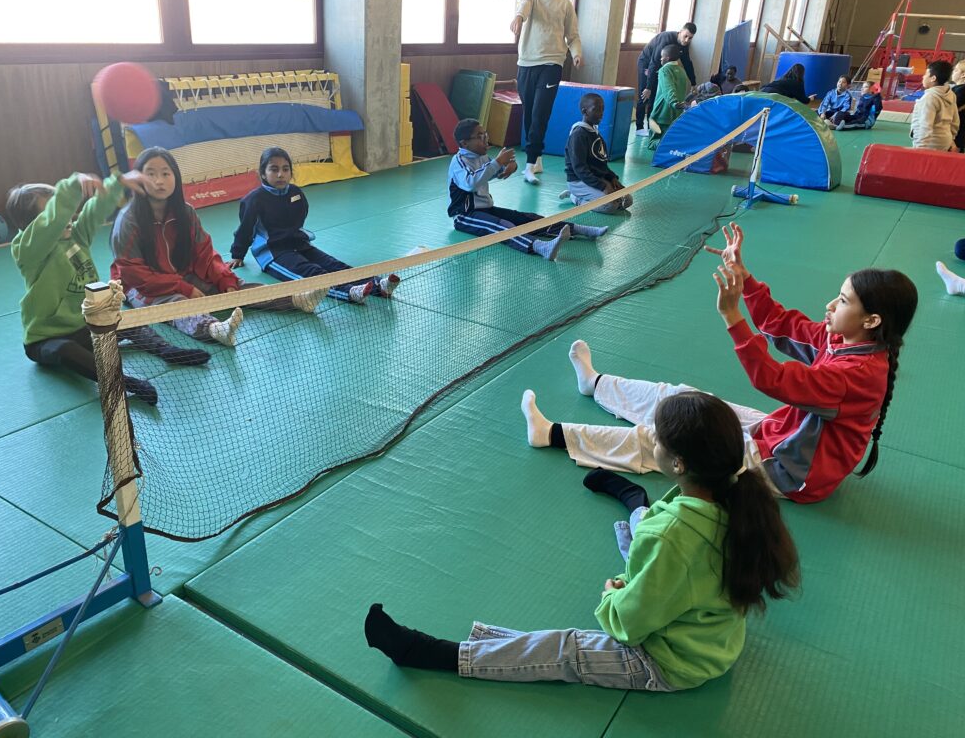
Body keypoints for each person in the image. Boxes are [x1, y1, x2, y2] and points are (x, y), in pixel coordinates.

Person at [364, 390, 800, 692]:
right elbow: (674, 556)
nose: (652, 441)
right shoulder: (732, 494)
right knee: (643, 532)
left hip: (672, 661)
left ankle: (432, 654)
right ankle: (633, 501)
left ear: (679, 464)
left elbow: (628, 625)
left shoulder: (674, 538)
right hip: (709, 633)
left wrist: (612, 596)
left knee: (566, 649)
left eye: (658, 440)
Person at [520, 223, 918, 504]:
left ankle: (552, 434)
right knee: (684, 399)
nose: (830, 305)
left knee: (669, 441)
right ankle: (596, 384)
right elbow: (782, 325)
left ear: (872, 321)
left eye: (843, 301)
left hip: (789, 471)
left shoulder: (857, 377)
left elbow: (773, 378)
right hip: (778, 432)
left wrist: (732, 316)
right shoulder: (844, 339)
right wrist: (745, 279)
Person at [8, 171, 212, 406]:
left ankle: (166, 351)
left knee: (127, 322)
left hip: (86, 326)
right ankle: (123, 382)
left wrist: (117, 184)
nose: (69, 214)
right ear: (34, 226)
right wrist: (73, 186)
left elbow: (94, 211)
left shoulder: (75, 236)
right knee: (65, 349)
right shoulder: (28, 251)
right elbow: (52, 222)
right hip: (46, 338)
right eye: (55, 210)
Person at [111, 147, 325, 348]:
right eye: (150, 174)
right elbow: (135, 274)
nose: (159, 181)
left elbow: (204, 253)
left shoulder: (185, 212)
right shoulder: (128, 221)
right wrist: (183, 288)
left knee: (234, 284)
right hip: (140, 287)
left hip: (181, 273)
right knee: (176, 304)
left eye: (166, 173)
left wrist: (223, 278)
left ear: (175, 177)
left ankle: (295, 300)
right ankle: (214, 329)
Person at [228, 147, 398, 304]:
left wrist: (294, 237)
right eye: (274, 169)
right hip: (274, 253)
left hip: (300, 244)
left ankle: (379, 286)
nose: (280, 174)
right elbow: (245, 229)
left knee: (335, 265)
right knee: (313, 273)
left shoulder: (296, 193)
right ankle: (349, 293)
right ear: (263, 174)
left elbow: (300, 217)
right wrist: (238, 254)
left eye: (285, 169)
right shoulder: (253, 200)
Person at [448, 118, 607, 260]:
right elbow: (470, 183)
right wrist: (498, 162)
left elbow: (492, 172)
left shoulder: (481, 156)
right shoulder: (459, 162)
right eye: (479, 136)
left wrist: (509, 167)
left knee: (526, 218)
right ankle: (540, 247)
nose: (485, 138)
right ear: (464, 143)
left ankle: (580, 230)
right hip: (464, 215)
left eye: (485, 134)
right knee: (503, 226)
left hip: (486, 209)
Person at [510, 0, 583, 185]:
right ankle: (537, 158)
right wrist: (518, 18)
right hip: (526, 63)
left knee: (540, 113)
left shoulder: (565, 3)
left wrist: (576, 54)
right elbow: (522, 8)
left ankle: (530, 164)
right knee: (529, 113)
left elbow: (573, 36)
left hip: (552, 64)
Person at [558, 93, 633, 213]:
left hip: (596, 179)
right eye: (596, 110)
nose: (601, 113)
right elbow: (580, 169)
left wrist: (612, 178)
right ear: (585, 111)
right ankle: (575, 197)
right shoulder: (578, 135)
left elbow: (601, 165)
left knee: (627, 200)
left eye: (602, 109)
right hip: (579, 181)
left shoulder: (595, 134)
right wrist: (603, 186)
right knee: (610, 206)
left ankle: (590, 196)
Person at [635, 23, 697, 136]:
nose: (686, 40)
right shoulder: (666, 39)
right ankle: (639, 127)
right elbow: (654, 62)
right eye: (685, 36)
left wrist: (693, 83)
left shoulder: (684, 44)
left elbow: (687, 62)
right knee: (645, 95)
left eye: (690, 38)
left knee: (654, 97)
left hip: (661, 67)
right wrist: (648, 87)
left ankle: (650, 127)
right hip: (647, 63)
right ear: (680, 32)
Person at [910, 60, 959, 152]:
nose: (923, 77)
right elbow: (955, 121)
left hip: (930, 144)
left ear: (933, 78)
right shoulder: (950, 94)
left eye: (925, 74)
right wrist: (951, 139)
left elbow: (925, 125)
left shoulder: (929, 98)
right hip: (945, 141)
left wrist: (920, 148)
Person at [646, 45, 689, 150]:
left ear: (667, 58)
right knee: (669, 137)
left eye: (662, 56)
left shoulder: (664, 70)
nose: (660, 59)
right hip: (676, 114)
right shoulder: (682, 71)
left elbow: (668, 88)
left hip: (661, 113)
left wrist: (674, 102)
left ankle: (668, 146)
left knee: (652, 143)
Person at [948, 59, 965, 152]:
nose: (953, 72)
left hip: (957, 135)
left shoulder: (961, 91)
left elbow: (948, 110)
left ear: (963, 75)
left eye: (956, 70)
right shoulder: (957, 89)